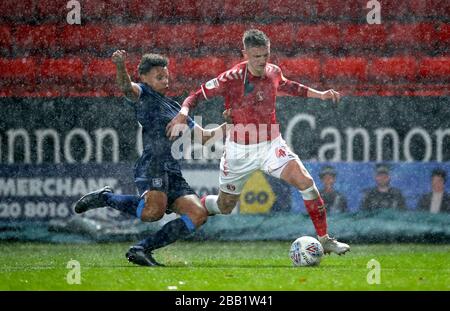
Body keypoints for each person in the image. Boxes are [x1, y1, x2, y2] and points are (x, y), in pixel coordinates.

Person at [166, 29, 350, 255]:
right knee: (225, 206)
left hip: (271, 145)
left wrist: (320, 95)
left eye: (266, 55)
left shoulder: (273, 71)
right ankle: (197, 204)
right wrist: (183, 113)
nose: (262, 61)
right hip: (239, 151)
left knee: (307, 184)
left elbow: (289, 86)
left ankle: (325, 239)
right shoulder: (231, 77)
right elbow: (195, 96)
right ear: (244, 53)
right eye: (256, 57)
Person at [73, 50, 226, 266]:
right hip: (153, 164)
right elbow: (127, 88)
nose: (165, 81)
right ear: (143, 77)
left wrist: (231, 123)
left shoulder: (174, 108)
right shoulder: (143, 93)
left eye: (166, 77)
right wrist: (120, 65)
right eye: (159, 77)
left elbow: (205, 138)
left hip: (172, 169)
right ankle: (105, 198)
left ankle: (141, 249)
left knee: (197, 214)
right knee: (153, 213)